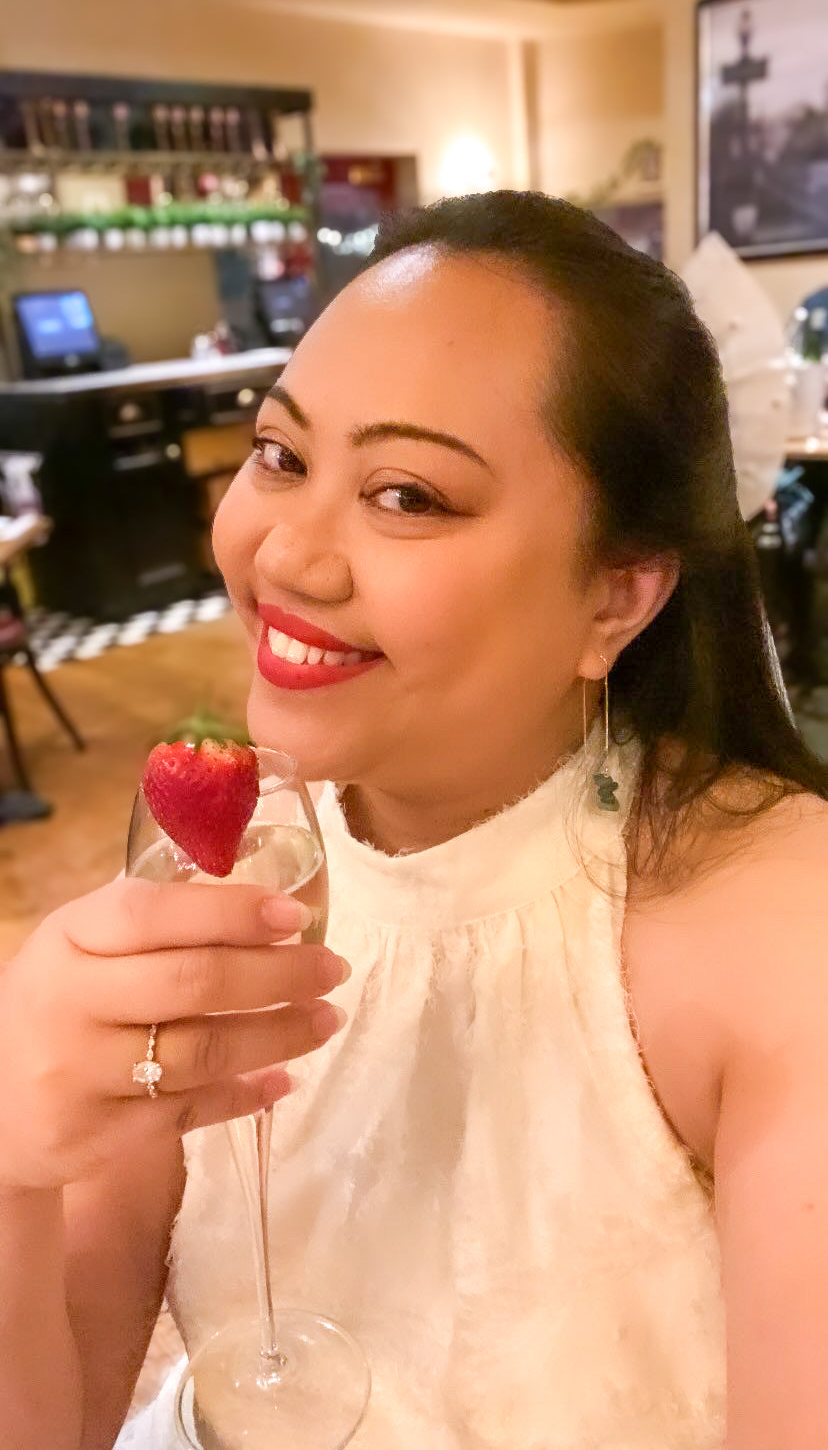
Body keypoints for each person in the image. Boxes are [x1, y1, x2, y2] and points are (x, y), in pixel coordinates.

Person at [1, 191, 827, 1450]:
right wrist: (13, 1161)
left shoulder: (774, 919)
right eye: (280, 455)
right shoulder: (225, 874)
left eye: (407, 495)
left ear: (617, 596)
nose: (286, 556)